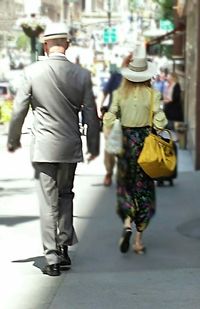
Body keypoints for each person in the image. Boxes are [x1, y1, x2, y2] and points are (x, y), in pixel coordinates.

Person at [7, 23, 100, 276]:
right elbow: (91, 114)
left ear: (45, 45)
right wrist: (93, 145)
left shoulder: (32, 72)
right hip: (70, 145)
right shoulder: (81, 74)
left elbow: (18, 110)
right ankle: (65, 247)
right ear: (67, 44)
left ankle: (52, 258)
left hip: (45, 147)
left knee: (48, 201)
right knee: (66, 194)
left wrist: (13, 139)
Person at [103, 45, 167, 254]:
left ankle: (126, 224)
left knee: (126, 186)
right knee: (143, 189)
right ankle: (138, 241)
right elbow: (159, 120)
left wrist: (107, 124)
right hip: (145, 144)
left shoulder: (119, 93)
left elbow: (110, 116)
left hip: (125, 144)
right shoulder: (152, 95)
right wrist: (159, 125)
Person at [100, 55, 132, 186]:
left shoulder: (139, 80)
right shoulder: (116, 77)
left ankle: (124, 174)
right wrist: (99, 106)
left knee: (126, 148)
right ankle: (108, 172)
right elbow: (105, 92)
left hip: (130, 119)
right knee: (109, 148)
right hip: (112, 118)